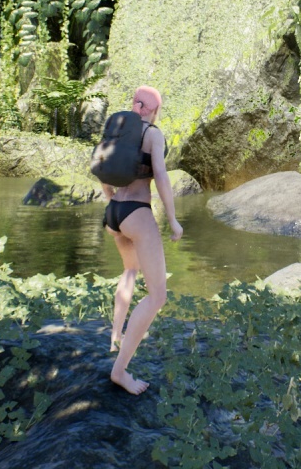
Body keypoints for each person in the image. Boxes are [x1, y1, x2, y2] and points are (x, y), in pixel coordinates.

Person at [100, 85, 184, 395]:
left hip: (114, 213)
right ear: (154, 110)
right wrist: (173, 220)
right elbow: (160, 176)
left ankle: (115, 336)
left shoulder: (118, 131)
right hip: (137, 212)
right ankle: (120, 371)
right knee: (157, 296)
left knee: (130, 270)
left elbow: (102, 171)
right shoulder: (152, 134)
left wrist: (111, 199)